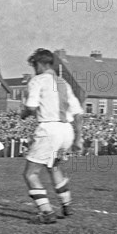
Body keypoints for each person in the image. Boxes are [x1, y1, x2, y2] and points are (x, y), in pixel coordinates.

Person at [20, 48, 83, 224]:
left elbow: (31, 107)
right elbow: (78, 114)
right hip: (66, 131)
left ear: (39, 64)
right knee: (54, 167)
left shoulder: (37, 80)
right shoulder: (63, 83)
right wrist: (78, 139)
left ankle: (47, 213)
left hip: (49, 130)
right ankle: (67, 204)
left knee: (30, 174)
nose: (34, 69)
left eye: (34, 65)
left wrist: (24, 114)